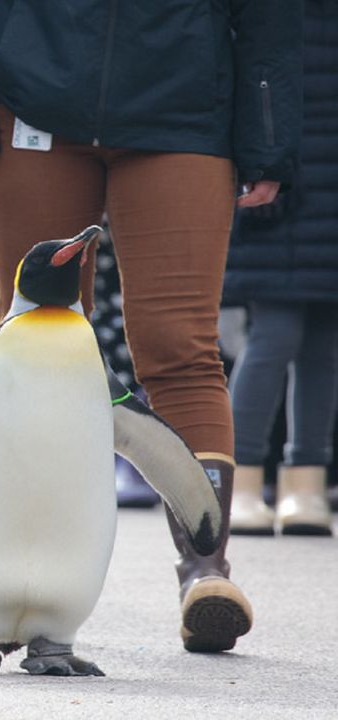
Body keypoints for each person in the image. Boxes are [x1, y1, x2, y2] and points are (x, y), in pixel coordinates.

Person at [0, 0, 302, 653]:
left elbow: (270, 18)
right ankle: (11, 582)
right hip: (32, 103)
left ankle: (205, 570)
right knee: (28, 344)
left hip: (185, 110)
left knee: (181, 348)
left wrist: (268, 137)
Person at [224, 0, 337, 538]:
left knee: (322, 342)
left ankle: (306, 483)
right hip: (280, 186)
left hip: (304, 186)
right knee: (275, 333)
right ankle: (240, 481)